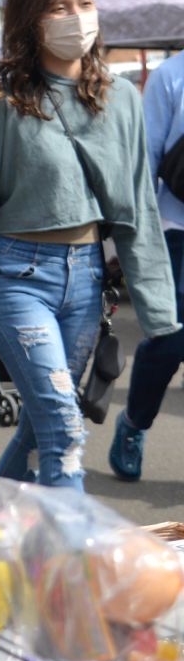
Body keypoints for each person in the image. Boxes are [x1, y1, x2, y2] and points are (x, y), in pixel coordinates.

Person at [0, 0, 178, 490]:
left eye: (85, 3)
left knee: (40, 429)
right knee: (63, 429)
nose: (76, 16)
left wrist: (159, 310)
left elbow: (138, 207)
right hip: (16, 277)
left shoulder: (123, 99)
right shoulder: (6, 101)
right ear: (31, 21)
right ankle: (76, 562)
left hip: (87, 280)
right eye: (59, 6)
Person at [111, 47, 184, 479]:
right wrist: (133, 234)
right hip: (175, 229)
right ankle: (134, 423)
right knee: (171, 337)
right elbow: (146, 160)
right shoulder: (171, 76)